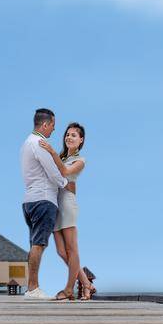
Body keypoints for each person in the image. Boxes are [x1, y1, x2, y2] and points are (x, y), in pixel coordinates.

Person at [38, 122, 94, 301]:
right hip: (55, 205)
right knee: (62, 252)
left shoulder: (80, 161)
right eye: (67, 134)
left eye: (74, 135)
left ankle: (69, 289)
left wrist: (51, 152)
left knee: (72, 249)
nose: (69, 137)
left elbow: (65, 172)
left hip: (67, 204)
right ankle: (86, 283)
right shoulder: (61, 157)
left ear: (81, 140)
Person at [20, 108, 68, 301]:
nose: (54, 130)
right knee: (39, 244)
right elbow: (53, 171)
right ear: (45, 124)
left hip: (30, 200)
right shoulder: (39, 143)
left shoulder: (26, 143)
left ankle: (31, 287)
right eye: (53, 126)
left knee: (34, 243)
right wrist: (65, 183)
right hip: (43, 199)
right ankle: (33, 288)